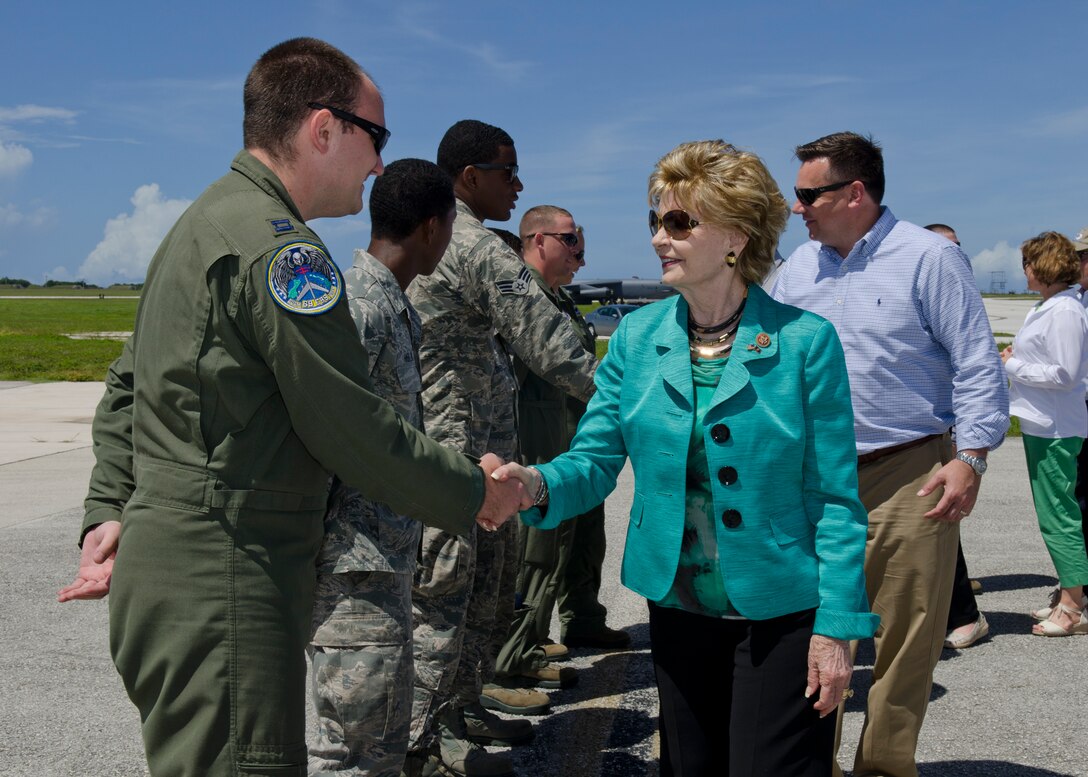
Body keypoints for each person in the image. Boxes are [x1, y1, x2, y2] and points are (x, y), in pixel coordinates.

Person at [55, 40, 524, 777]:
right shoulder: (283, 254)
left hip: (182, 571)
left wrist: (109, 508)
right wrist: (476, 492)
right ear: (324, 128)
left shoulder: (204, 223)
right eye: (377, 138)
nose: (380, 166)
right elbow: (351, 426)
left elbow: (125, 388)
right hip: (229, 577)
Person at [496, 140, 878, 777]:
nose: (658, 239)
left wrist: (837, 626)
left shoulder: (806, 343)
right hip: (677, 608)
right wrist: (533, 485)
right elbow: (593, 458)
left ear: (736, 234)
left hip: (781, 609)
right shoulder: (636, 337)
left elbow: (835, 500)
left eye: (678, 222)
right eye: (656, 221)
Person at [773, 131, 1009, 777]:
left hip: (909, 472)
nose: (796, 207)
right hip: (813, 480)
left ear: (855, 193)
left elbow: (976, 362)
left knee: (907, 639)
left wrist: (971, 457)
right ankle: (810, 766)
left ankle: (882, 767)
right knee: (811, 634)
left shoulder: (929, 258)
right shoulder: (796, 270)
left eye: (808, 194)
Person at [404, 120, 598, 777]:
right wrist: (630, 401)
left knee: (483, 595)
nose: (517, 186)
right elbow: (549, 341)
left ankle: (461, 712)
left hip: (476, 452)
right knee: (447, 600)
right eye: (507, 173)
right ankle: (424, 744)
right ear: (469, 177)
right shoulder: (473, 245)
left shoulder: (449, 237)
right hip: (457, 455)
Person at [308, 158, 461, 775]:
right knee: (353, 751)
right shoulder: (359, 307)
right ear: (431, 227)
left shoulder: (393, 304)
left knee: (379, 746)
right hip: (352, 568)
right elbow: (320, 429)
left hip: (381, 557)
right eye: (450, 227)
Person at [1003, 231, 1088, 636]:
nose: (1024, 270)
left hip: (1055, 427)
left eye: (1028, 263)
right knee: (1053, 513)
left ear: (1044, 266)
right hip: (1042, 423)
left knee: (1059, 516)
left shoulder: (1065, 311)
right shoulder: (1049, 306)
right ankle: (1072, 595)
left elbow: (1065, 374)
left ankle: (1073, 605)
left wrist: (1013, 365)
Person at [552, 227, 631, 651]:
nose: (580, 262)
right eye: (572, 248)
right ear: (540, 241)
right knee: (546, 548)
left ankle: (582, 617)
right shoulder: (523, 301)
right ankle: (524, 641)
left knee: (586, 538)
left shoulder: (563, 302)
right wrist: (631, 392)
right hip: (549, 439)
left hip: (582, 435)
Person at [924, 223, 990, 650]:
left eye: (959, 248)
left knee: (942, 518)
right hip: (930, 425)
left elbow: (976, 368)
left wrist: (971, 453)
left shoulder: (958, 293)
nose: (955, 255)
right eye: (945, 247)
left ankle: (963, 612)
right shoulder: (930, 284)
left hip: (945, 430)